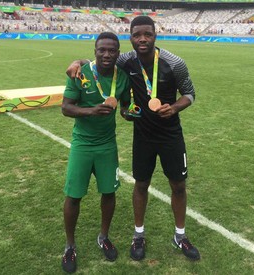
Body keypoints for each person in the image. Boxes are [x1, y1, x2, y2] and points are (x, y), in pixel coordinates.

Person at [66, 16, 200, 262]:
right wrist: (79, 61)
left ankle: (180, 235)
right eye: (137, 35)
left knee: (178, 186)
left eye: (147, 34)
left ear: (155, 35)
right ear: (130, 36)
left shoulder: (174, 63)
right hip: (143, 136)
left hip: (171, 134)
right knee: (141, 185)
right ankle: (138, 235)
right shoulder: (127, 60)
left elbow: (190, 93)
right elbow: (101, 60)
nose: (142, 39)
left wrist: (176, 107)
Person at [61, 32, 131, 273]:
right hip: (82, 144)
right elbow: (66, 108)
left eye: (112, 50)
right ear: (95, 51)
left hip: (107, 145)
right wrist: (91, 111)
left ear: (118, 53)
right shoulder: (80, 73)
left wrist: (129, 113)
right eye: (102, 49)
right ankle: (70, 246)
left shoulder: (122, 78)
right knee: (74, 195)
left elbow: (124, 107)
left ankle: (104, 236)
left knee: (109, 193)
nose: (107, 54)